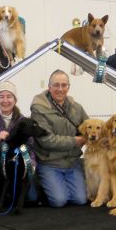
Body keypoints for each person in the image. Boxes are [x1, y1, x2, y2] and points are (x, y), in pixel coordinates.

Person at [30, 70, 89, 208]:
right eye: (56, 85)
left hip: (72, 162)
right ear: (49, 87)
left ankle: (56, 185)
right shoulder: (39, 109)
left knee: (81, 200)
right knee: (59, 201)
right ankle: (46, 184)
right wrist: (76, 141)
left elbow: (89, 127)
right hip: (50, 163)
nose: (60, 89)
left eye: (64, 85)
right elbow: (47, 140)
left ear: (69, 87)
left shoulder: (77, 107)